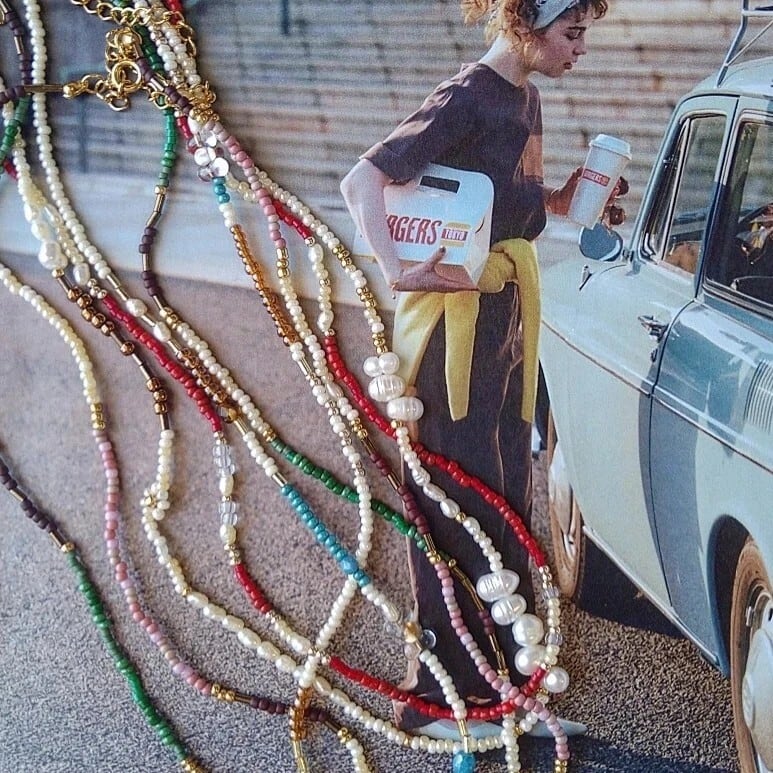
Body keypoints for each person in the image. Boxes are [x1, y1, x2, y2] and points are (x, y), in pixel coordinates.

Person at [340, 0, 609, 739]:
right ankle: (440, 699)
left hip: (503, 323)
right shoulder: (467, 94)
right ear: (525, 23)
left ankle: (505, 691)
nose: (580, 48)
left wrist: (563, 200)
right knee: (457, 502)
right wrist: (398, 268)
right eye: (572, 33)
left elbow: (502, 203)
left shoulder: (524, 98)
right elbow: (362, 181)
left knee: (505, 500)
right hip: (450, 334)